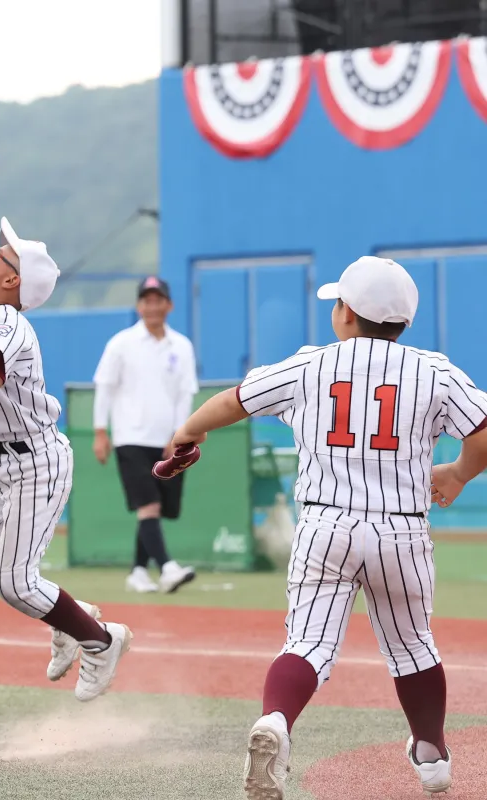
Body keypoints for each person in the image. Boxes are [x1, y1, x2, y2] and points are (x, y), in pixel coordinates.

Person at [166, 256, 486, 799]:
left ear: (347, 313)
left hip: (325, 524)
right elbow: (482, 432)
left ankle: (276, 720)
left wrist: (187, 432)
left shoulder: (310, 365)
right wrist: (457, 473)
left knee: (309, 643)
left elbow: (233, 401)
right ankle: (431, 755)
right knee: (412, 646)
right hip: (401, 530)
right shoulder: (435, 371)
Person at [0, 217, 132, 702]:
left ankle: (102, 641)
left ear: (11, 280)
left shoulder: (10, 325)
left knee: (15, 582)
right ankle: (70, 617)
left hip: (36, 459)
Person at [92, 276, 198, 594]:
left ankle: (138, 571)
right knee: (148, 505)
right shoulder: (121, 343)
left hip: (167, 442)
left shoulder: (182, 346)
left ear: (169, 305)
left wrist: (179, 435)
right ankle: (167, 568)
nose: (152, 306)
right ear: (139, 306)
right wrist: (100, 432)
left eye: (158, 300)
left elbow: (185, 394)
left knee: (156, 508)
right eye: (146, 300)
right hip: (130, 438)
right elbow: (104, 387)